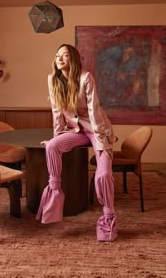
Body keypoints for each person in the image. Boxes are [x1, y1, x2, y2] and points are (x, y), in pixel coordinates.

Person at [36, 44, 117, 242]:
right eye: (57, 55)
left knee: (103, 174)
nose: (59, 58)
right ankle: (54, 194)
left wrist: (102, 141)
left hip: (97, 130)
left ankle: (108, 218)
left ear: (73, 58)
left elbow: (94, 111)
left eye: (64, 55)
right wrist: (56, 136)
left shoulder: (85, 77)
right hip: (75, 130)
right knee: (52, 146)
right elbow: (57, 112)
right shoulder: (52, 79)